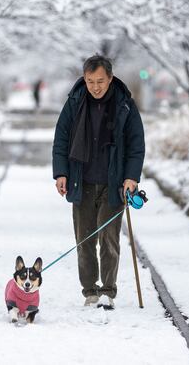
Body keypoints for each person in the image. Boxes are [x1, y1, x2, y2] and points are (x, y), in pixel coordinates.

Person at [52, 54, 145, 309]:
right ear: (84, 78)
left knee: (108, 238)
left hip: (113, 183)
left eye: (100, 81)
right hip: (81, 181)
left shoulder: (124, 104)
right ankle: (90, 290)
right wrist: (61, 173)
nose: (95, 87)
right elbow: (61, 139)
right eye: (91, 81)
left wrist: (131, 177)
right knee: (84, 240)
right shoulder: (74, 102)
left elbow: (136, 145)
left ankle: (108, 291)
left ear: (110, 78)